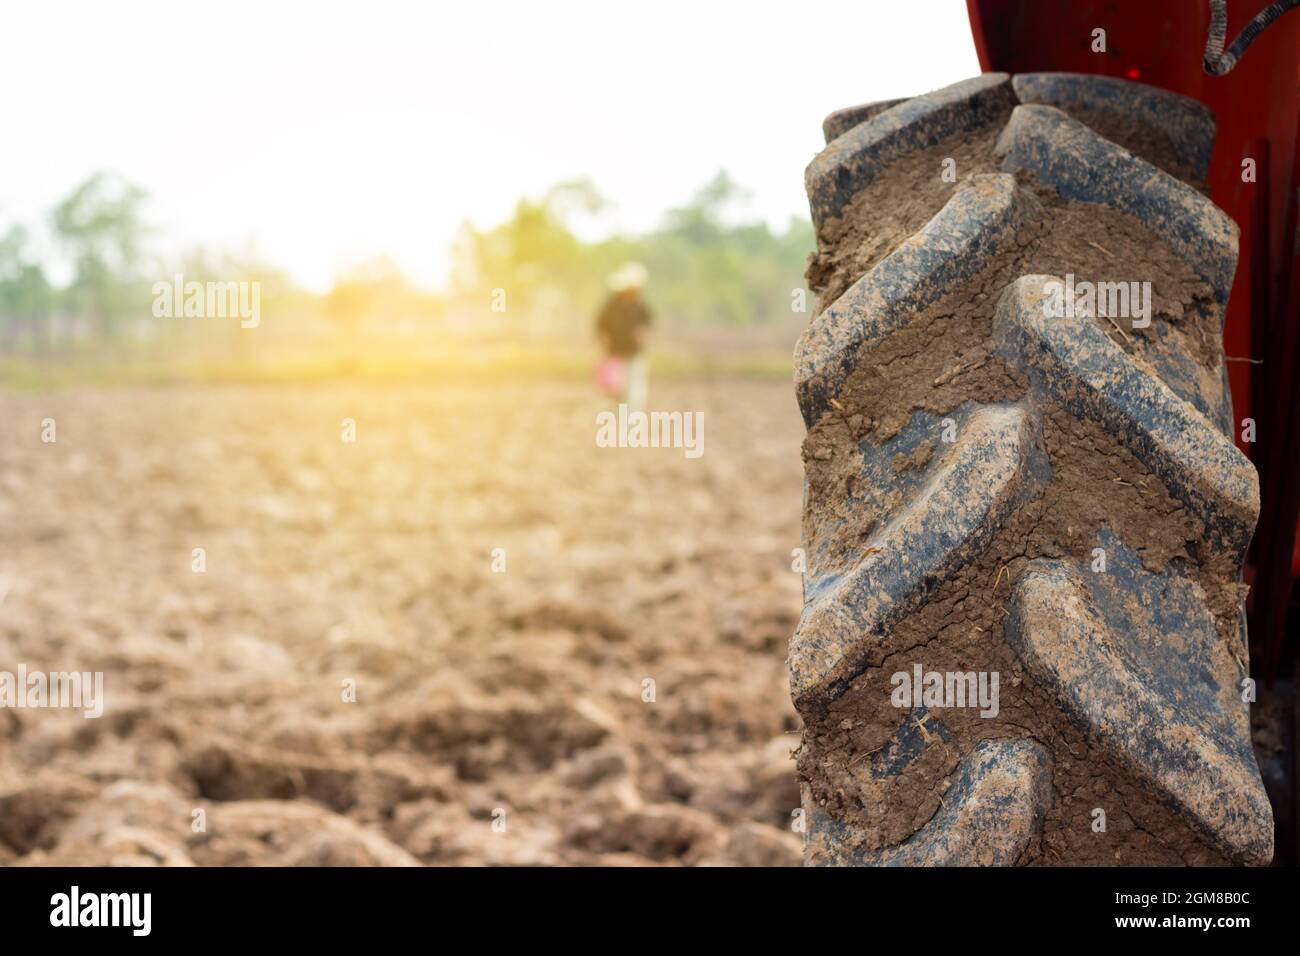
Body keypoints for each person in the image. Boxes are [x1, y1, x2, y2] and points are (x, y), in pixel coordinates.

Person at [594, 263, 651, 412]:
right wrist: (604, 339)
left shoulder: (639, 305)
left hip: (633, 352)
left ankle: (633, 415)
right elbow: (600, 326)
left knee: (634, 387)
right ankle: (615, 414)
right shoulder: (610, 306)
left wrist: (642, 333)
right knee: (615, 387)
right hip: (615, 353)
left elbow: (646, 323)